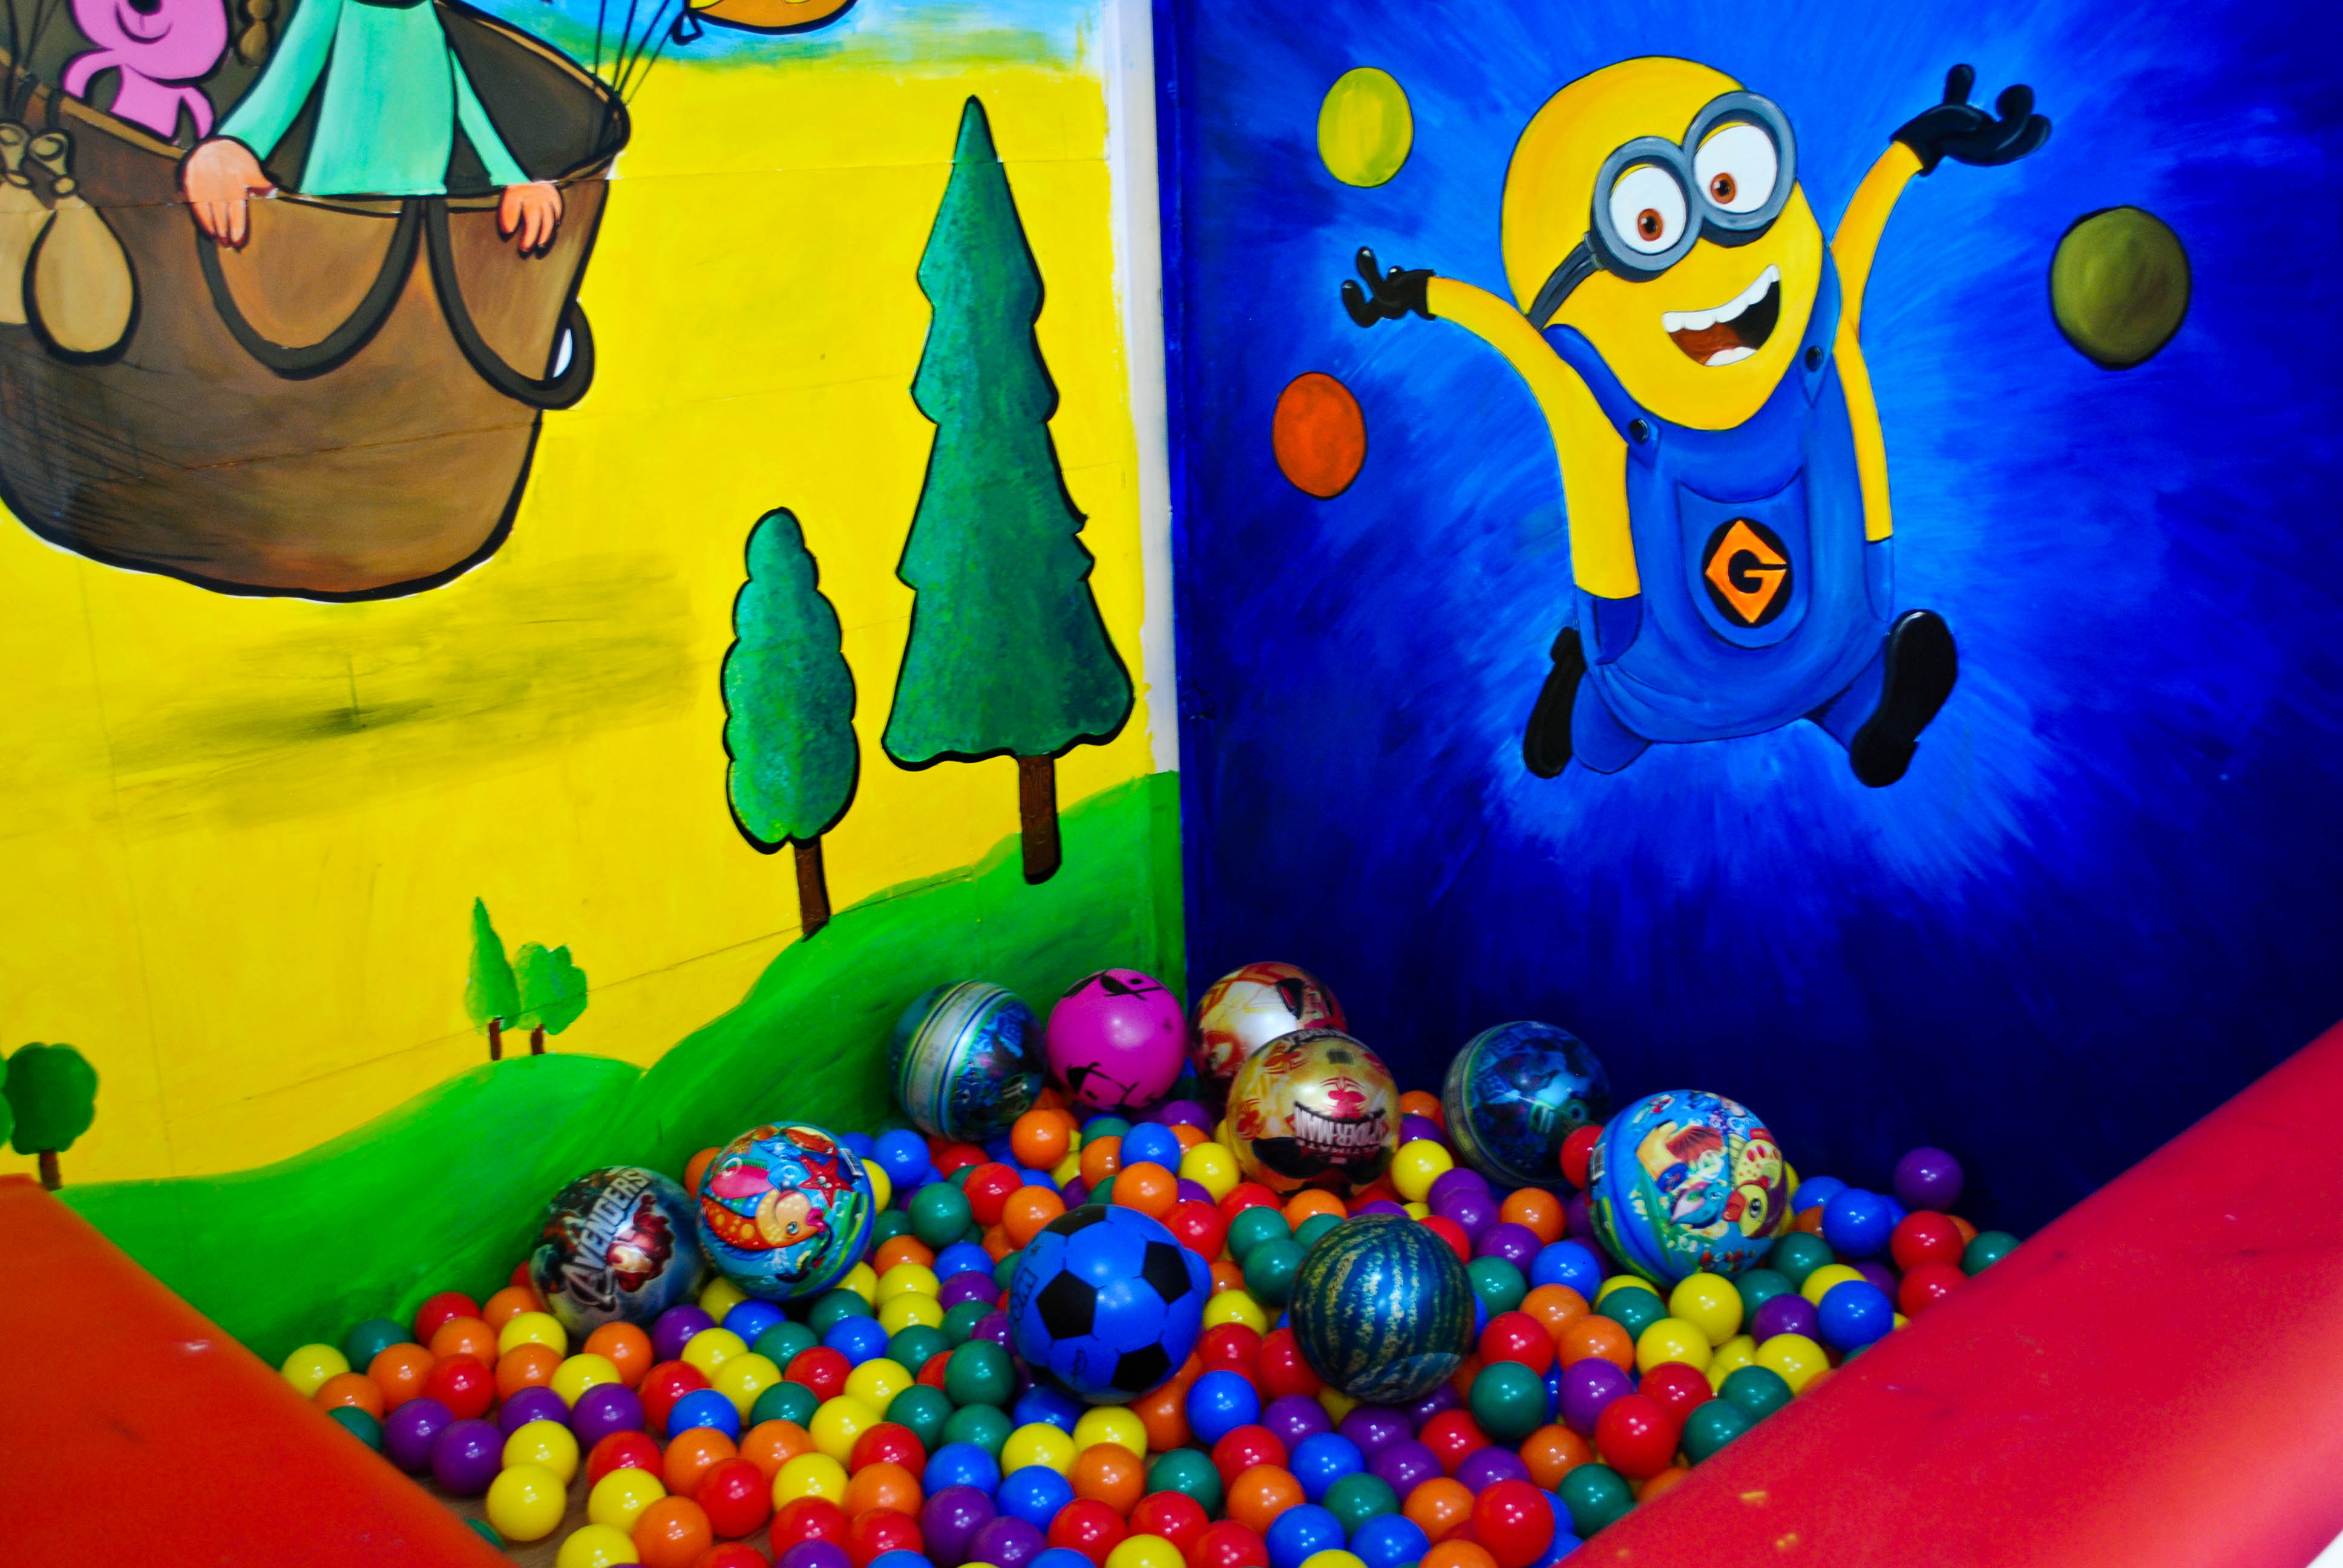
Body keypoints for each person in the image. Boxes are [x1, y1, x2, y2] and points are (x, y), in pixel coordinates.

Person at [1343, 59, 2048, 786]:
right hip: (1669, 685)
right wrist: (1422, 294)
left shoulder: (1814, 337)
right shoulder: (1599, 402)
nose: (1713, 254)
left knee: (1834, 678)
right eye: (1648, 226)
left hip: (1806, 650)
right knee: (1601, 740)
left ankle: (1866, 723)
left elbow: (1851, 248)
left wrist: (1912, 152)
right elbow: (1518, 339)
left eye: (1730, 190)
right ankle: (1580, 680)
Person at [180, 0, 561, 250]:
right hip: (340, 211)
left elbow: (460, 95)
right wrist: (234, 145)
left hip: (424, 208)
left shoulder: (424, 13)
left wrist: (514, 179)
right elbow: (290, 75)